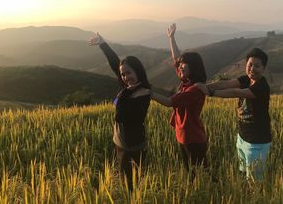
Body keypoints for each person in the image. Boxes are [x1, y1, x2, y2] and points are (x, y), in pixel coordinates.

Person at [196, 48, 271, 182]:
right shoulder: (246, 79)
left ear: (264, 68)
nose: (252, 69)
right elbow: (227, 83)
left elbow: (236, 92)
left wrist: (211, 93)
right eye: (250, 65)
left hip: (257, 142)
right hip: (242, 138)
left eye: (257, 66)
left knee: (254, 181)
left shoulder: (262, 87)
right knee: (244, 174)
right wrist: (205, 86)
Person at [89, 33, 151, 191]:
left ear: (138, 71)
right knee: (124, 179)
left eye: (129, 73)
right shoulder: (128, 88)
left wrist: (123, 95)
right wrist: (103, 44)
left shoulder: (142, 93)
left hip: (132, 145)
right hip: (120, 141)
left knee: (130, 184)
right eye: (123, 74)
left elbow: (122, 116)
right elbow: (115, 63)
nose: (125, 77)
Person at [151, 23, 209, 175]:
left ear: (193, 69)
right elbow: (176, 58)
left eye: (183, 68)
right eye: (180, 68)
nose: (180, 70)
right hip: (183, 136)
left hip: (193, 139)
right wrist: (171, 38)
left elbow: (170, 102)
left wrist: (148, 93)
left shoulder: (195, 89)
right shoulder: (186, 81)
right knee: (191, 171)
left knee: (199, 174)